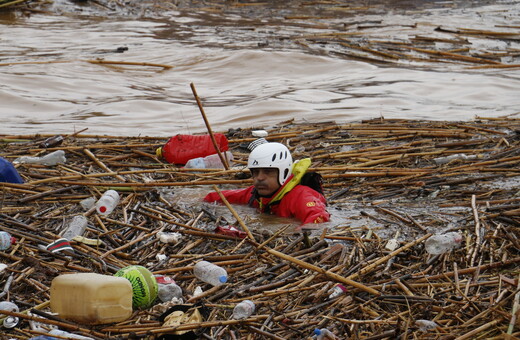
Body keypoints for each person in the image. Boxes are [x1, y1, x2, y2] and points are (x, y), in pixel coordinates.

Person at [204, 142, 330, 226]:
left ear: (284, 172)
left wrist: (297, 234)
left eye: (268, 172)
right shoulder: (255, 194)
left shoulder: (301, 196)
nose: (259, 178)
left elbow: (319, 218)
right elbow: (218, 196)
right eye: (255, 172)